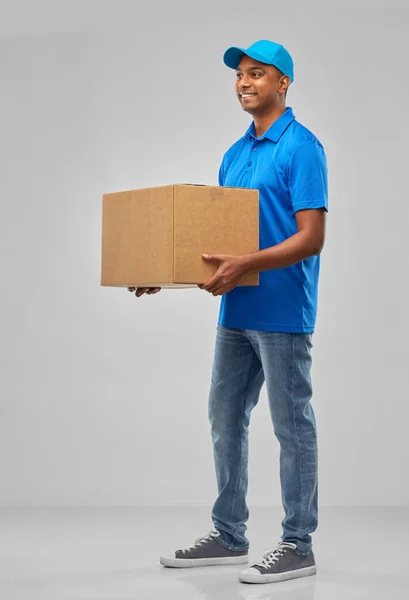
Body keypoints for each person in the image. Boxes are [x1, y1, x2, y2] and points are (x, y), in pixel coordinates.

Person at [128, 39, 328, 585]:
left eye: (257, 74)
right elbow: (218, 240)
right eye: (240, 74)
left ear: (283, 83)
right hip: (236, 311)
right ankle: (229, 534)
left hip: (283, 310)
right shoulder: (234, 154)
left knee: (292, 428)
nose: (244, 82)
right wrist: (161, 271)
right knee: (224, 418)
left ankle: (297, 543)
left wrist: (244, 264)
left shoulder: (302, 147)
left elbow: (312, 238)